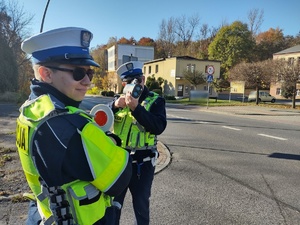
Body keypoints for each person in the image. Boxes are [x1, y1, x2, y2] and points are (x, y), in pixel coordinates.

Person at [16, 27, 132, 225]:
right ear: (46, 74)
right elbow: (120, 178)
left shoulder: (30, 110)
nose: (87, 81)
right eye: (78, 73)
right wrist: (109, 142)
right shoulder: (71, 127)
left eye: (89, 73)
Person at [105, 61, 167, 225]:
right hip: (120, 161)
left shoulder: (155, 101)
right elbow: (99, 117)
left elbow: (158, 126)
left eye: (137, 80)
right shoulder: (119, 100)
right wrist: (113, 105)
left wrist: (136, 108)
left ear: (143, 80)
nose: (134, 85)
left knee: (141, 205)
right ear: (124, 84)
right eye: (129, 81)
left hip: (142, 163)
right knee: (113, 205)